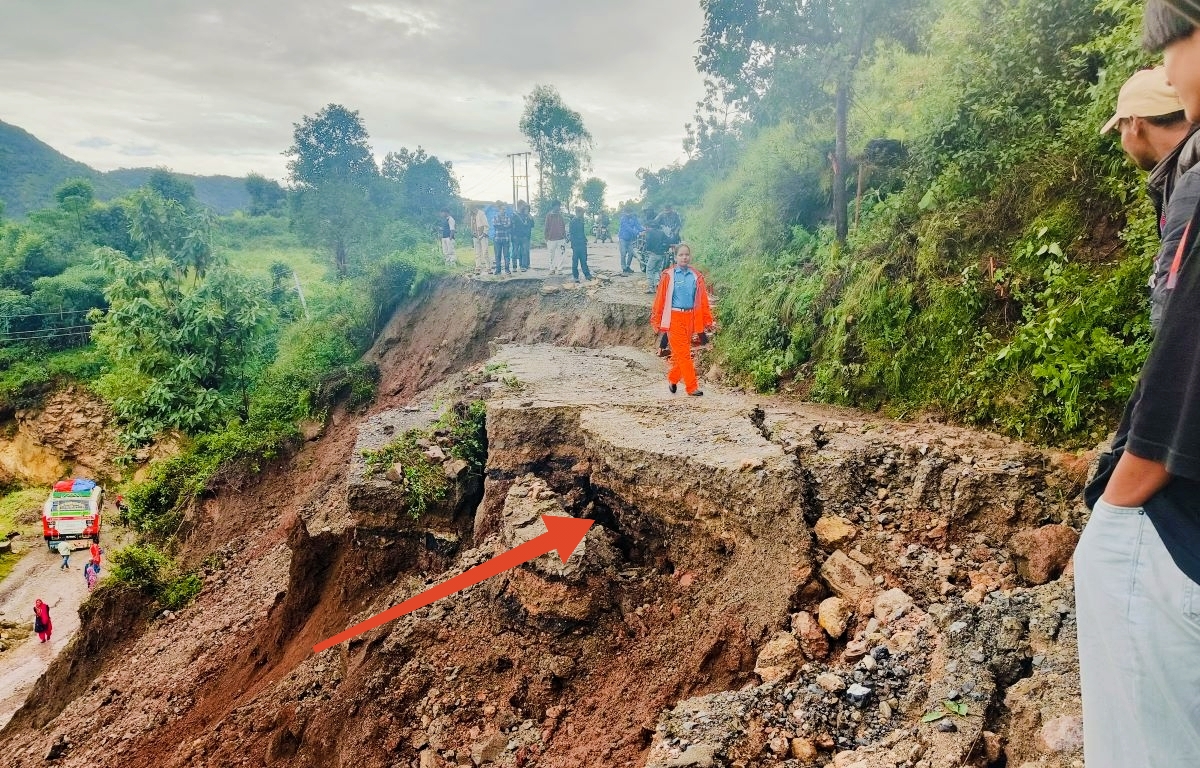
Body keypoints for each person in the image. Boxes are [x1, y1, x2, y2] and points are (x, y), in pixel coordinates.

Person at [1075, 4, 1200, 766]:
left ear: (1131, 126)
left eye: (1177, 48)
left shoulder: (1191, 183)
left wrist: (1118, 499)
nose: (1176, 71)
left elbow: (1182, 357)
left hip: (1178, 517)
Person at [1102, 65, 1200, 329]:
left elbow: (1176, 301)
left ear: (1135, 123)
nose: (1122, 142)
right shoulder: (1180, 169)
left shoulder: (1193, 176)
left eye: (1119, 129)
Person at [650, 243, 714, 397]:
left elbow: (703, 300)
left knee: (681, 354)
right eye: (681, 255)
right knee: (685, 354)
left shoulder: (696, 276)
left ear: (690, 256)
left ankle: (673, 378)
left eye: (687, 254)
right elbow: (660, 298)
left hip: (691, 318)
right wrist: (656, 318)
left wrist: (707, 320)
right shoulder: (669, 275)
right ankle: (691, 387)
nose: (684, 257)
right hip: (674, 318)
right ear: (676, 257)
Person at [643, 216, 674, 294]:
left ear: (650, 226)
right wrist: (665, 249)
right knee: (657, 270)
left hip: (653, 254)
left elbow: (648, 242)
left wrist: (647, 249)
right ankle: (657, 284)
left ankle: (651, 288)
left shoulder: (650, 232)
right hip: (661, 255)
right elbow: (669, 241)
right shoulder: (662, 232)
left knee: (649, 270)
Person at [569, 206, 593, 284]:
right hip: (576, 244)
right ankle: (576, 277)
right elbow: (571, 234)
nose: (583, 215)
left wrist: (585, 239)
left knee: (584, 260)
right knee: (575, 261)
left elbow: (582, 232)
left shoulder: (581, 221)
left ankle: (587, 275)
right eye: (582, 213)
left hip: (582, 244)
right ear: (578, 212)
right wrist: (573, 244)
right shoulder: (573, 222)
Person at [544, 201, 568, 275]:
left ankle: (560, 269)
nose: (558, 208)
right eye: (557, 206)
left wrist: (565, 236)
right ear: (553, 206)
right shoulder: (549, 216)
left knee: (561, 254)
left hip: (561, 239)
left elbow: (563, 226)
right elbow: (546, 227)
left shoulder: (560, 216)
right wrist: (546, 238)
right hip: (551, 239)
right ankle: (552, 269)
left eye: (559, 206)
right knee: (551, 255)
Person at [618, 206, 643, 273]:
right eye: (627, 212)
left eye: (629, 212)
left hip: (630, 238)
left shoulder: (633, 218)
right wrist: (637, 232)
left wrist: (644, 230)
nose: (628, 214)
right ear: (624, 212)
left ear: (631, 212)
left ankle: (628, 266)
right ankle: (624, 267)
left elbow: (638, 225)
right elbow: (627, 228)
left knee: (631, 253)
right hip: (623, 238)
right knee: (623, 253)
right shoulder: (623, 219)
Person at [512, 200, 534, 272]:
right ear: (519, 206)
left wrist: (530, 218)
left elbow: (531, 225)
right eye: (523, 206)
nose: (524, 207)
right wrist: (513, 235)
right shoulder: (514, 215)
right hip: (516, 237)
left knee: (524, 251)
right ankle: (514, 266)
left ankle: (523, 266)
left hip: (524, 236)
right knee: (515, 252)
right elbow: (512, 226)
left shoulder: (526, 215)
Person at [493, 202, 513, 275]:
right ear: (499, 209)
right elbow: (496, 226)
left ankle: (507, 269)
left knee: (506, 255)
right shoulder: (495, 217)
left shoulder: (508, 218)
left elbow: (508, 226)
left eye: (505, 209)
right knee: (497, 255)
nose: (504, 210)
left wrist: (502, 226)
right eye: (502, 209)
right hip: (497, 239)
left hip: (506, 239)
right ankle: (498, 270)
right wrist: (504, 226)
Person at [471, 207, 491, 274]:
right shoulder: (472, 215)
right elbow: (472, 226)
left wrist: (483, 234)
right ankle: (478, 267)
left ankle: (488, 267)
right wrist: (473, 233)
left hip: (483, 235)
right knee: (477, 253)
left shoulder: (481, 214)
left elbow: (486, 226)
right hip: (476, 236)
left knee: (485, 252)